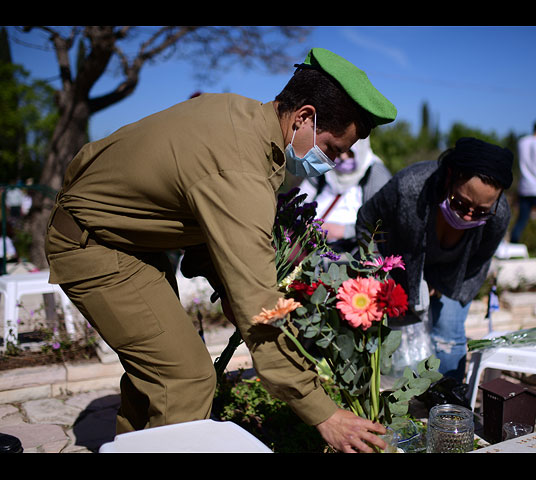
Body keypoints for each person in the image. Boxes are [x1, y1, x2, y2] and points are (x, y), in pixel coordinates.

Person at [44, 47, 397, 453]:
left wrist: (226, 286)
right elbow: (260, 311)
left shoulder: (243, 117)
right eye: (333, 149)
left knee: (158, 370)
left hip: (130, 237)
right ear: (303, 117)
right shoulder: (240, 169)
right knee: (183, 378)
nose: (333, 163)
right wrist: (323, 413)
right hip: (95, 243)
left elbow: (191, 204)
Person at [356, 138, 513, 382]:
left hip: (454, 276)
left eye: (481, 211)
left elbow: (480, 259)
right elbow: (367, 220)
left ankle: (444, 408)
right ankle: (399, 405)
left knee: (448, 338)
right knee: (394, 345)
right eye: (461, 203)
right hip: (399, 268)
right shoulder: (410, 187)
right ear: (450, 176)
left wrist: (438, 288)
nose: (469, 215)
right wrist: (376, 271)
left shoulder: (498, 214)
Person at [297, 136, 391, 253]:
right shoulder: (324, 167)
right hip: (310, 246)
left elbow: (381, 222)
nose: (343, 157)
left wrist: (344, 231)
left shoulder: (375, 173)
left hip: (351, 251)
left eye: (350, 153)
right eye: (339, 152)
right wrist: (304, 224)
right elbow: (299, 200)